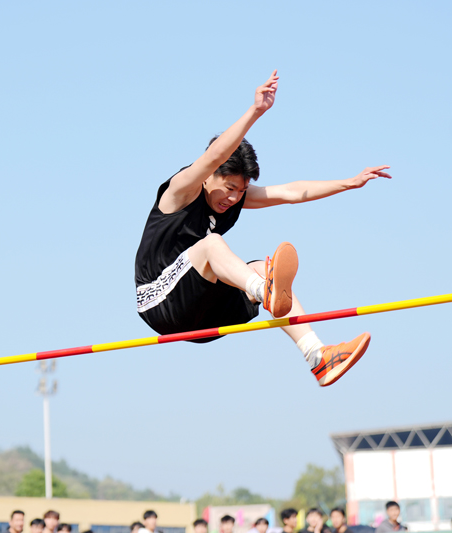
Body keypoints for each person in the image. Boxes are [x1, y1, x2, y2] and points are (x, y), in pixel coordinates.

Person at [134, 71, 390, 386]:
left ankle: (318, 356)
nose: (233, 198)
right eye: (228, 187)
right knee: (213, 246)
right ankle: (263, 291)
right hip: (159, 302)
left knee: (263, 269)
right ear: (209, 175)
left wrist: (348, 183)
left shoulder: (236, 198)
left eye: (241, 191)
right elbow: (215, 155)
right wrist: (256, 111)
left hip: (201, 317)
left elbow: (291, 192)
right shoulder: (183, 190)